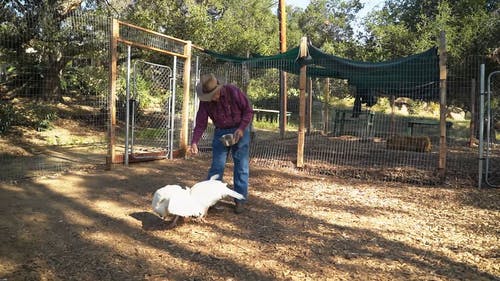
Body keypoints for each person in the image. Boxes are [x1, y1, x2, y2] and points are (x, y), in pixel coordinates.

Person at [189, 73, 254, 214]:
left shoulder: (233, 91)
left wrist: (242, 128)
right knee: (216, 167)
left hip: (239, 130)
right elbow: (201, 122)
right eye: (210, 96)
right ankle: (210, 200)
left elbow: (248, 111)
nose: (213, 98)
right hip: (221, 132)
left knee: (241, 167)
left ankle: (240, 200)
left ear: (219, 88)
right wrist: (194, 141)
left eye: (214, 94)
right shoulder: (205, 101)